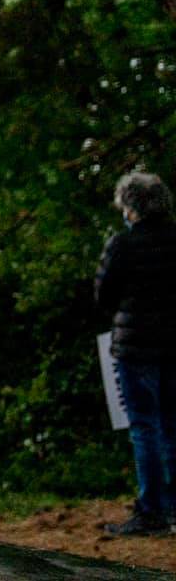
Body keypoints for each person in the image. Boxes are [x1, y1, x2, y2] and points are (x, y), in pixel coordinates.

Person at [96, 172, 176, 537]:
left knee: (144, 425)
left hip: (135, 346)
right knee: (173, 425)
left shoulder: (121, 245)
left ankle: (152, 511)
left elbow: (103, 296)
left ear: (130, 208)